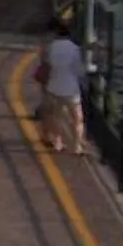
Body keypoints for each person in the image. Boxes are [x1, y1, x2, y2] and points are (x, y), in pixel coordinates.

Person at [35, 16, 87, 156]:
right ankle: (77, 146)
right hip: (71, 90)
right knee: (77, 119)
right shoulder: (75, 49)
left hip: (54, 87)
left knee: (57, 117)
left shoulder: (51, 48)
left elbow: (46, 65)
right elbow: (79, 70)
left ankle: (58, 142)